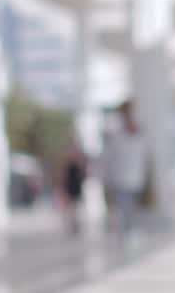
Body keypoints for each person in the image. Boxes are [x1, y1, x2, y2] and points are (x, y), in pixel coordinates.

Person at [100, 101, 149, 241]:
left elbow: (142, 155)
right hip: (120, 179)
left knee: (133, 208)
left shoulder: (139, 132)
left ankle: (130, 231)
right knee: (125, 208)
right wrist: (107, 179)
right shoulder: (115, 134)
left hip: (135, 177)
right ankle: (128, 233)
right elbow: (108, 158)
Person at [59, 135, 89, 237]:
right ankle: (72, 224)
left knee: (75, 205)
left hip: (76, 184)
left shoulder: (79, 158)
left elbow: (83, 171)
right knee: (71, 205)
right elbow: (64, 173)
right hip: (71, 184)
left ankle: (75, 223)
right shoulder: (68, 160)